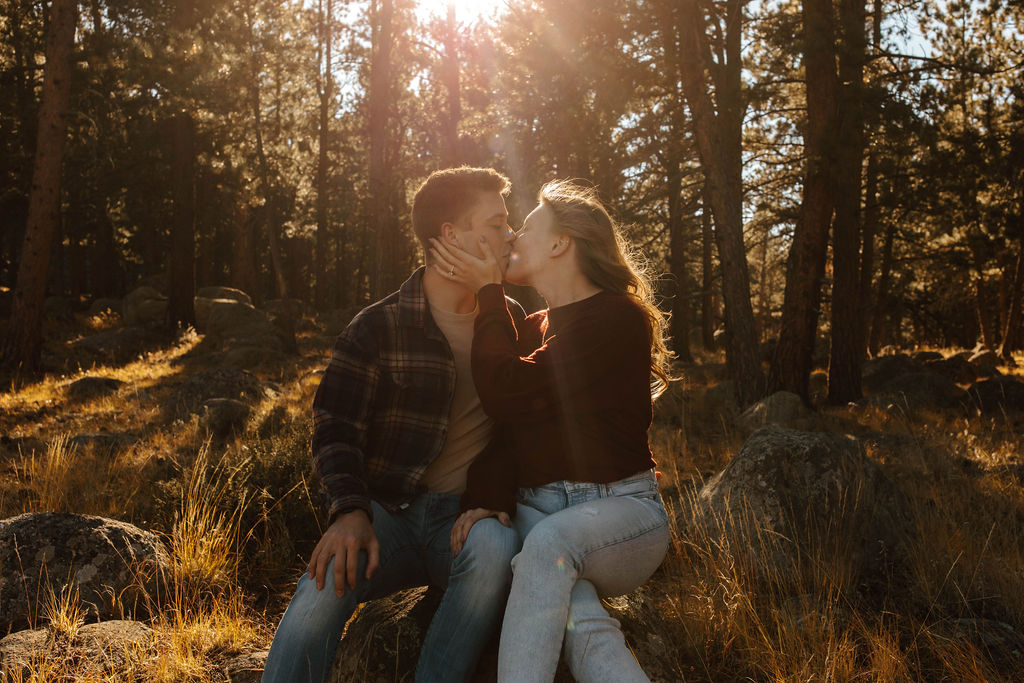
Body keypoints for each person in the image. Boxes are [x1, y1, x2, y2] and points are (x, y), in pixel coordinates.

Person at [261, 167, 524, 683]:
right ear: (450, 235)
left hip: (463, 525)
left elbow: (525, 425)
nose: (509, 234)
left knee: (496, 547)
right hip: (388, 517)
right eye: (496, 223)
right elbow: (335, 426)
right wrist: (350, 511)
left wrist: (500, 499)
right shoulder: (376, 326)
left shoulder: (508, 321)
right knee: (321, 587)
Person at [430, 179, 673, 683]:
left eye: (526, 226)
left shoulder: (616, 319)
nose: (513, 237)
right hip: (538, 512)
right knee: (578, 615)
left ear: (561, 243)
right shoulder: (533, 324)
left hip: (621, 515)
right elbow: (504, 426)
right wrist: (487, 496)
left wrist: (488, 294)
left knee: (545, 548)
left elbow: (509, 390)